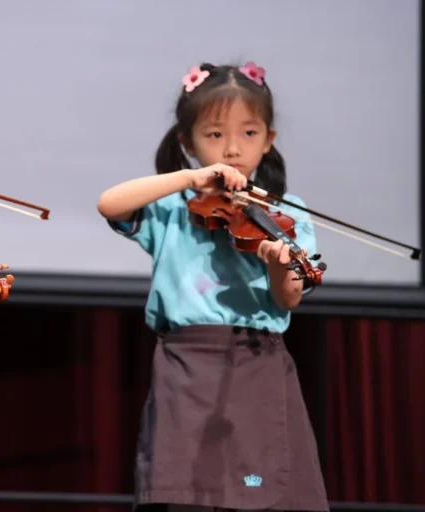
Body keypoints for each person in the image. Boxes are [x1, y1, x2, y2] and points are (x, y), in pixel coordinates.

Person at [97, 62, 328, 512]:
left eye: (248, 133)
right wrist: (189, 178)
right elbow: (109, 203)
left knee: (263, 489)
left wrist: (280, 265)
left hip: (259, 365)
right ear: (188, 142)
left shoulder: (287, 214)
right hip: (185, 367)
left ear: (268, 140)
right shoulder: (172, 206)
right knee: (187, 498)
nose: (233, 149)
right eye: (215, 135)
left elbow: (288, 297)